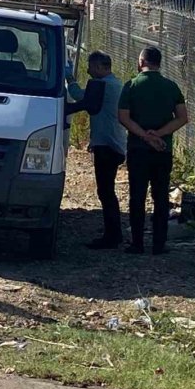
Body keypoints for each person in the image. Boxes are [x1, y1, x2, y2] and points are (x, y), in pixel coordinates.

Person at [118, 47, 189, 255]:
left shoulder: (131, 85)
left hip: (138, 149)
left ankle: (137, 242)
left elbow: (123, 117)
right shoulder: (171, 86)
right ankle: (159, 243)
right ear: (159, 63)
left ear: (141, 62)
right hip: (162, 150)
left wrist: (144, 135)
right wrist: (159, 134)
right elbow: (183, 117)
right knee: (160, 196)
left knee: (137, 196)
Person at [65, 51, 127, 249]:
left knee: (106, 191)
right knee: (107, 190)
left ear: (101, 67)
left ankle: (112, 235)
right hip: (113, 144)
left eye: (91, 66)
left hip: (107, 146)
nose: (88, 70)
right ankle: (113, 232)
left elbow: (81, 98)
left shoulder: (103, 86)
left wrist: (69, 78)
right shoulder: (116, 84)